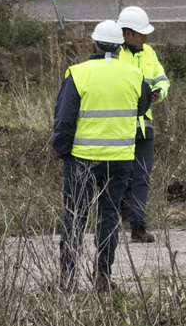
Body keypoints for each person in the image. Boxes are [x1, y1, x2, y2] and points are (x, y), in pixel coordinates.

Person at [52, 17, 150, 288]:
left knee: (75, 216)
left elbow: (64, 119)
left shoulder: (78, 73)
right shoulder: (134, 74)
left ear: (92, 44)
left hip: (83, 159)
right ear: (120, 46)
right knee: (109, 216)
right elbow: (141, 108)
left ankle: (67, 279)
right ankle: (103, 277)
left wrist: (62, 151)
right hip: (120, 160)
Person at [117, 5, 170, 243]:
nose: (146, 38)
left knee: (141, 176)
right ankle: (118, 214)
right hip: (120, 126)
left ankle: (138, 225)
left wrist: (160, 92)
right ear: (127, 34)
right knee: (120, 175)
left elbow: (162, 79)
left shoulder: (149, 53)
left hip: (144, 125)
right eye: (141, 34)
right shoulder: (114, 55)